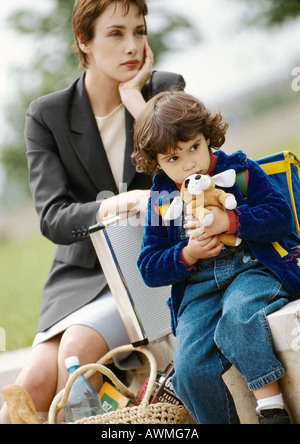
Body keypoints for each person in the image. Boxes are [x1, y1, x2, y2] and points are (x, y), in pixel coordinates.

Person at [0, 0, 185, 423]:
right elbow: (53, 217)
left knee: (77, 353)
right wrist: (120, 203)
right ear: (83, 41)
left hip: (149, 264)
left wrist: (139, 108)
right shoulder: (47, 116)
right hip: (79, 277)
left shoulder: (164, 91)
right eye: (116, 34)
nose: (132, 46)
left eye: (139, 31)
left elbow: (193, 179)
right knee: (23, 397)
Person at [133, 90, 298, 424]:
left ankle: (272, 409)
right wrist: (186, 253)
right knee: (190, 364)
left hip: (251, 269)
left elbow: (280, 215)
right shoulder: (161, 198)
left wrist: (233, 221)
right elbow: (149, 267)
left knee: (238, 319)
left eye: (194, 147)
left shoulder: (238, 171)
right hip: (198, 289)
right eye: (172, 159)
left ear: (208, 136)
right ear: (157, 163)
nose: (189, 163)